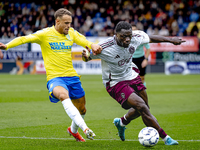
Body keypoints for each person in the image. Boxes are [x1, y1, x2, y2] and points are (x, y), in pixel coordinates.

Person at [0, 8, 102, 142]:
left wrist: (92, 45)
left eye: (70, 23)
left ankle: (73, 130)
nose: (68, 26)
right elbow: (24, 39)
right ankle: (85, 129)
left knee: (82, 109)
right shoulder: (44, 34)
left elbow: (84, 40)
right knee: (63, 95)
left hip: (72, 77)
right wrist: (7, 46)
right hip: (55, 78)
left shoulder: (71, 33)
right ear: (57, 22)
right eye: (66, 23)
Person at [82, 21, 185, 145]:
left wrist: (171, 40)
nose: (127, 39)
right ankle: (165, 138)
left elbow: (150, 38)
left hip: (131, 74)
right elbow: (87, 57)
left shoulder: (135, 37)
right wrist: (85, 55)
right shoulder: (105, 47)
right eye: (123, 37)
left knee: (145, 107)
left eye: (129, 36)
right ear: (116, 35)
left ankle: (122, 122)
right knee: (141, 106)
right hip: (115, 81)